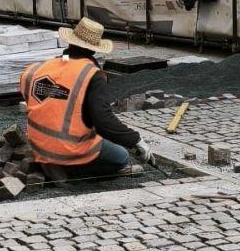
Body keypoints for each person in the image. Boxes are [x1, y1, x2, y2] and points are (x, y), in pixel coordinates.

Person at [19, 18, 152, 181]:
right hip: (67, 148)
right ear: (94, 49)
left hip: (37, 145)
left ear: (71, 42)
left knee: (96, 135)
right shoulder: (91, 75)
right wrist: (135, 140)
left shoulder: (39, 68)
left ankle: (53, 163)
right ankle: (71, 172)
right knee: (122, 156)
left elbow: (37, 101)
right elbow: (103, 121)